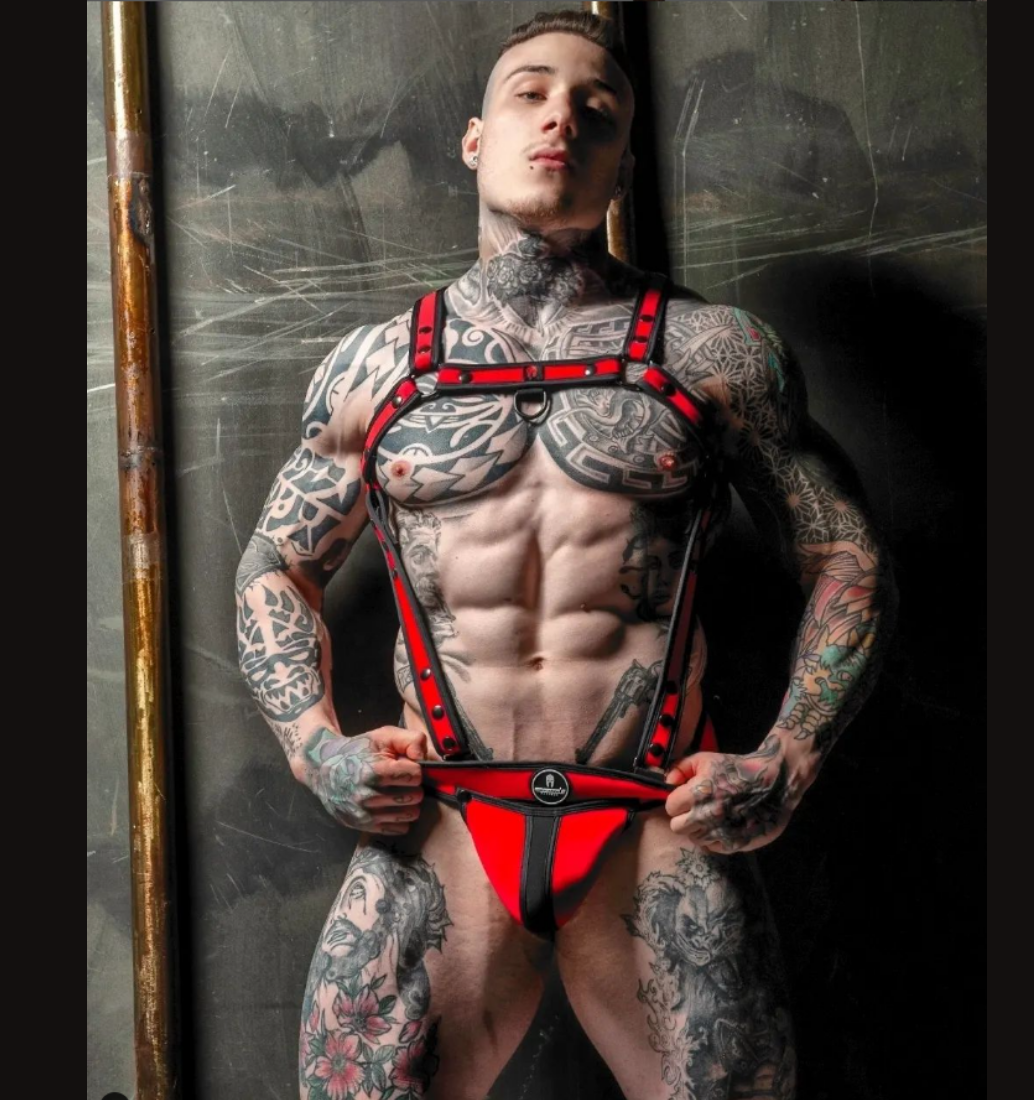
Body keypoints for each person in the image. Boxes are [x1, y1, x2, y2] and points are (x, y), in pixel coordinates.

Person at [235, 11, 895, 1100]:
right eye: (531, 93)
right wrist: (315, 752)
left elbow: (844, 556)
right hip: (444, 818)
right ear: (473, 139)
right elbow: (276, 566)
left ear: (622, 161)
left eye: (597, 108)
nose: (561, 119)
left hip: (653, 819)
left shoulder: (712, 352)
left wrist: (787, 759)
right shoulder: (375, 368)